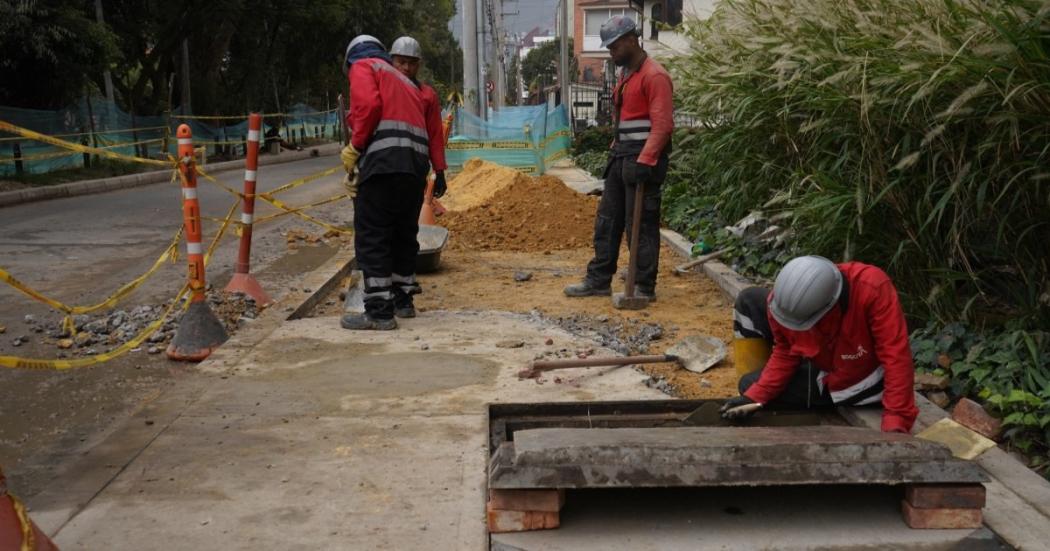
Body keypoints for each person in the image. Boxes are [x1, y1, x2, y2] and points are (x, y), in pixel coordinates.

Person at [720, 255, 919, 433]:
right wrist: (755, 397)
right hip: (823, 360)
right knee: (749, 384)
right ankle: (759, 394)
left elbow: (895, 356)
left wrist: (896, 420)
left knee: (751, 384)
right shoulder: (783, 304)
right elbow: (786, 351)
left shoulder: (872, 289)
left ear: (830, 308)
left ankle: (828, 396)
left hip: (859, 377)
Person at [564, 15, 674, 300]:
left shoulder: (655, 76)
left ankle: (643, 287)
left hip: (642, 162)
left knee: (641, 225)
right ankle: (599, 279)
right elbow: (625, 119)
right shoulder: (627, 75)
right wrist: (615, 145)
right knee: (608, 221)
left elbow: (662, 126)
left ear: (630, 40)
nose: (610, 53)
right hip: (621, 157)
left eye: (613, 47)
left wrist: (646, 161)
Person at [339, 35, 431, 330]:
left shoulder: (365, 66)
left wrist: (355, 148)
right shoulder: (407, 83)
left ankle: (379, 311)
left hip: (384, 165)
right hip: (415, 169)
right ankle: (403, 301)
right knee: (403, 233)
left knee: (373, 235)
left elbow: (368, 107)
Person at [389, 36, 448, 200]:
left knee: (409, 220)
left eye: (412, 63)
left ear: (418, 65)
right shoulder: (383, 90)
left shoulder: (428, 96)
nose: (406, 68)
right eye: (401, 62)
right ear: (391, 60)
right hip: (386, 167)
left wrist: (439, 170)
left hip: (415, 169)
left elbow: (435, 135)